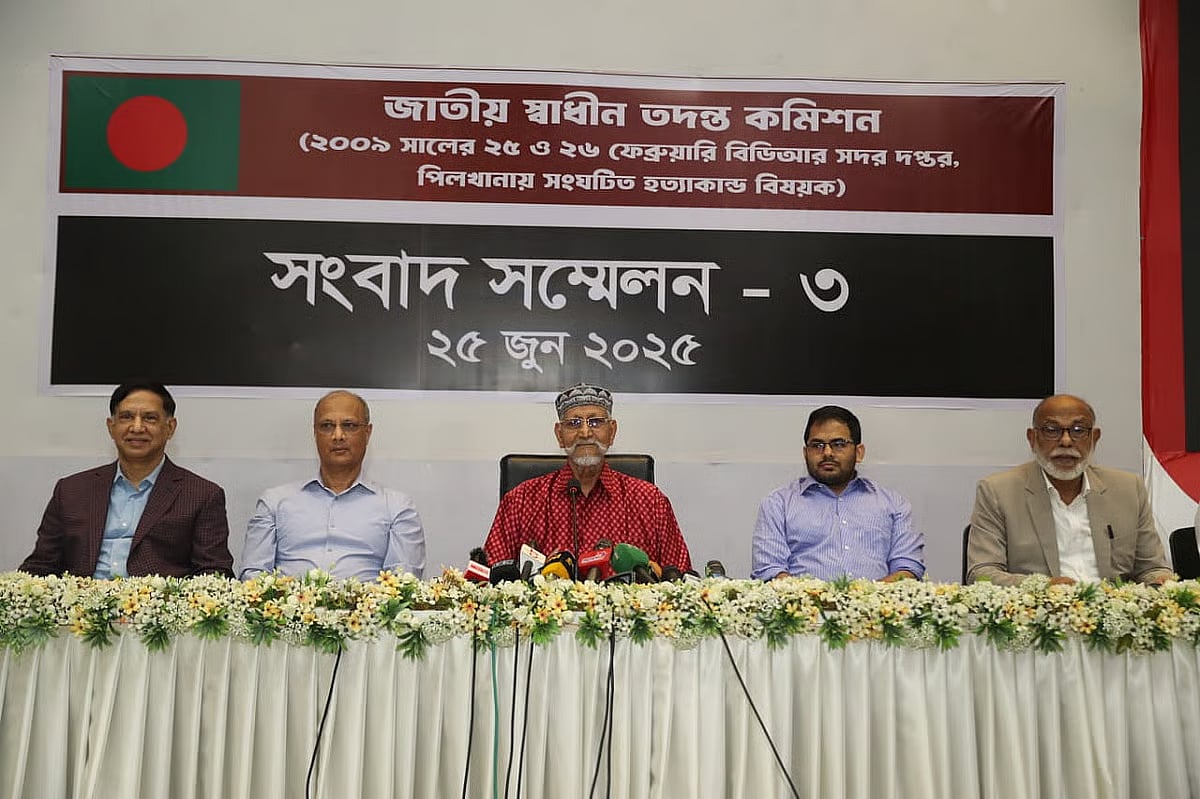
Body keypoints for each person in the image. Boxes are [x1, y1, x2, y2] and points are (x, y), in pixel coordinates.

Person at [20, 381, 234, 578]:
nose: (137, 427)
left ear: (170, 428)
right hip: (79, 613)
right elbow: (41, 564)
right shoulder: (71, 490)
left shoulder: (201, 494)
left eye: (150, 418)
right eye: (126, 417)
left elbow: (214, 573)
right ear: (111, 426)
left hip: (156, 614)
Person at [966, 394, 1174, 586]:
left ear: (1095, 437)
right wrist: (1042, 588)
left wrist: (1162, 582)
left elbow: (1152, 567)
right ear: (1032, 438)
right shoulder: (998, 491)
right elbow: (982, 572)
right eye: (1052, 430)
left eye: (1078, 430)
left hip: (1114, 617)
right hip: (1038, 618)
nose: (1065, 441)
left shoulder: (1128, 489)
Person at [484, 382, 692, 571]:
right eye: (573, 423)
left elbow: (679, 579)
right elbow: (490, 579)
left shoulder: (650, 501)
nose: (584, 432)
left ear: (612, 431)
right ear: (559, 434)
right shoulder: (521, 501)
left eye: (595, 422)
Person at [240, 390, 425, 581]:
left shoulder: (397, 507)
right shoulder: (275, 503)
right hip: (290, 607)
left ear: (367, 433)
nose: (338, 435)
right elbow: (252, 577)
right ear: (315, 433)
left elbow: (404, 583)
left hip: (368, 609)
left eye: (349, 425)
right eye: (327, 426)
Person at [750, 405, 925, 582]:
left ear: (858, 452)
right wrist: (816, 601)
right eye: (817, 445)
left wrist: (865, 599)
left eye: (838, 444)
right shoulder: (778, 504)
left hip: (877, 608)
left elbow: (908, 567)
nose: (827, 453)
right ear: (805, 453)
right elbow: (769, 569)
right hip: (803, 608)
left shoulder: (893, 504)